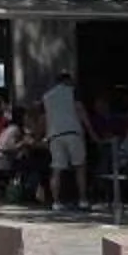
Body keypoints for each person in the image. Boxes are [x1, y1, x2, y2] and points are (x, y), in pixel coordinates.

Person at [43, 70, 86, 210]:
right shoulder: (72, 92)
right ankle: (83, 199)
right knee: (79, 167)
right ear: (68, 80)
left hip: (55, 135)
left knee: (56, 169)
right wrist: (91, 132)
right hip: (72, 132)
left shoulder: (47, 97)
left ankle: (56, 202)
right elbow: (81, 112)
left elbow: (46, 117)